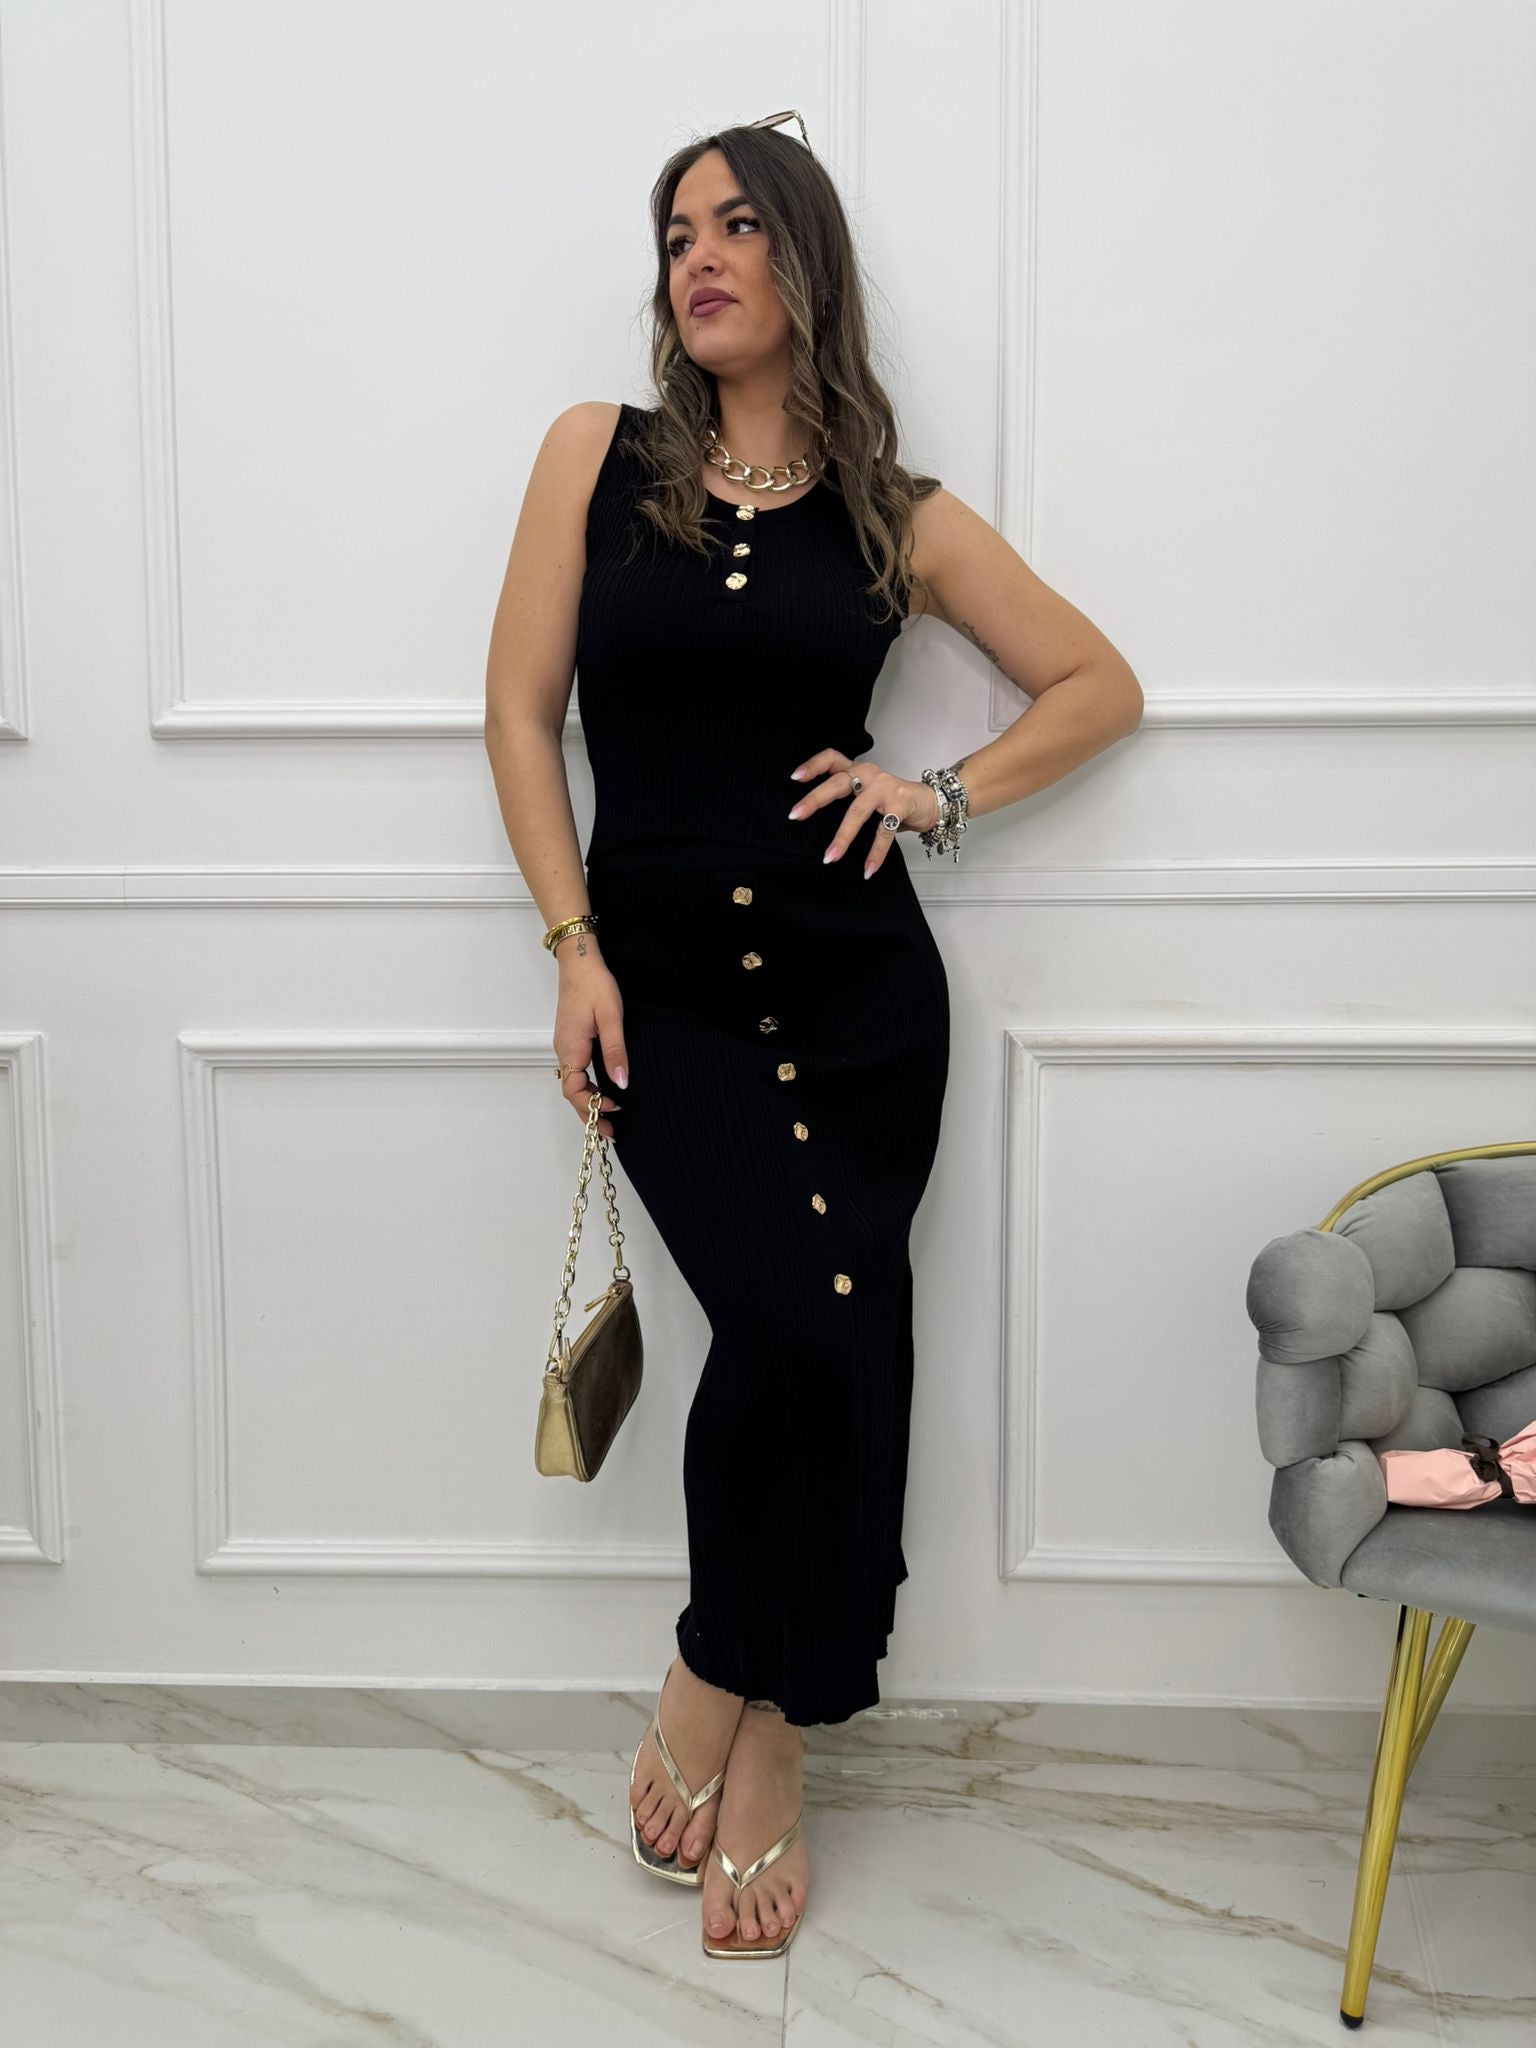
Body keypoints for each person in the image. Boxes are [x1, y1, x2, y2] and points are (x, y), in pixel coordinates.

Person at [484, 111, 1143, 1961]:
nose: (697, 257)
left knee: (839, 1344)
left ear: (806, 261)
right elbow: (521, 717)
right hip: (666, 994)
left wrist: (936, 793)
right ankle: (745, 1664)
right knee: (791, 1330)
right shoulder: (595, 457)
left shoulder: (895, 514)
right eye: (675, 233)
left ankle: (756, 1703)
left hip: (858, 1001)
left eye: (736, 225)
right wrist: (573, 946)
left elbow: (1098, 683)